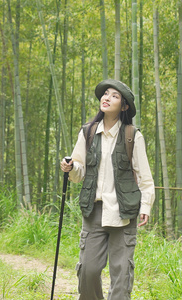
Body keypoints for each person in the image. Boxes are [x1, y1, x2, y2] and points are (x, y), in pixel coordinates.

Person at [60, 79, 155, 300]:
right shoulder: (88, 133)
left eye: (114, 96)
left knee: (121, 275)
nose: (106, 98)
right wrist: (70, 167)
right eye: (105, 94)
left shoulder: (133, 135)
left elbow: (145, 178)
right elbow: (78, 172)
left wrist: (146, 206)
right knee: (88, 271)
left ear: (124, 106)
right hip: (94, 211)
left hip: (124, 213)